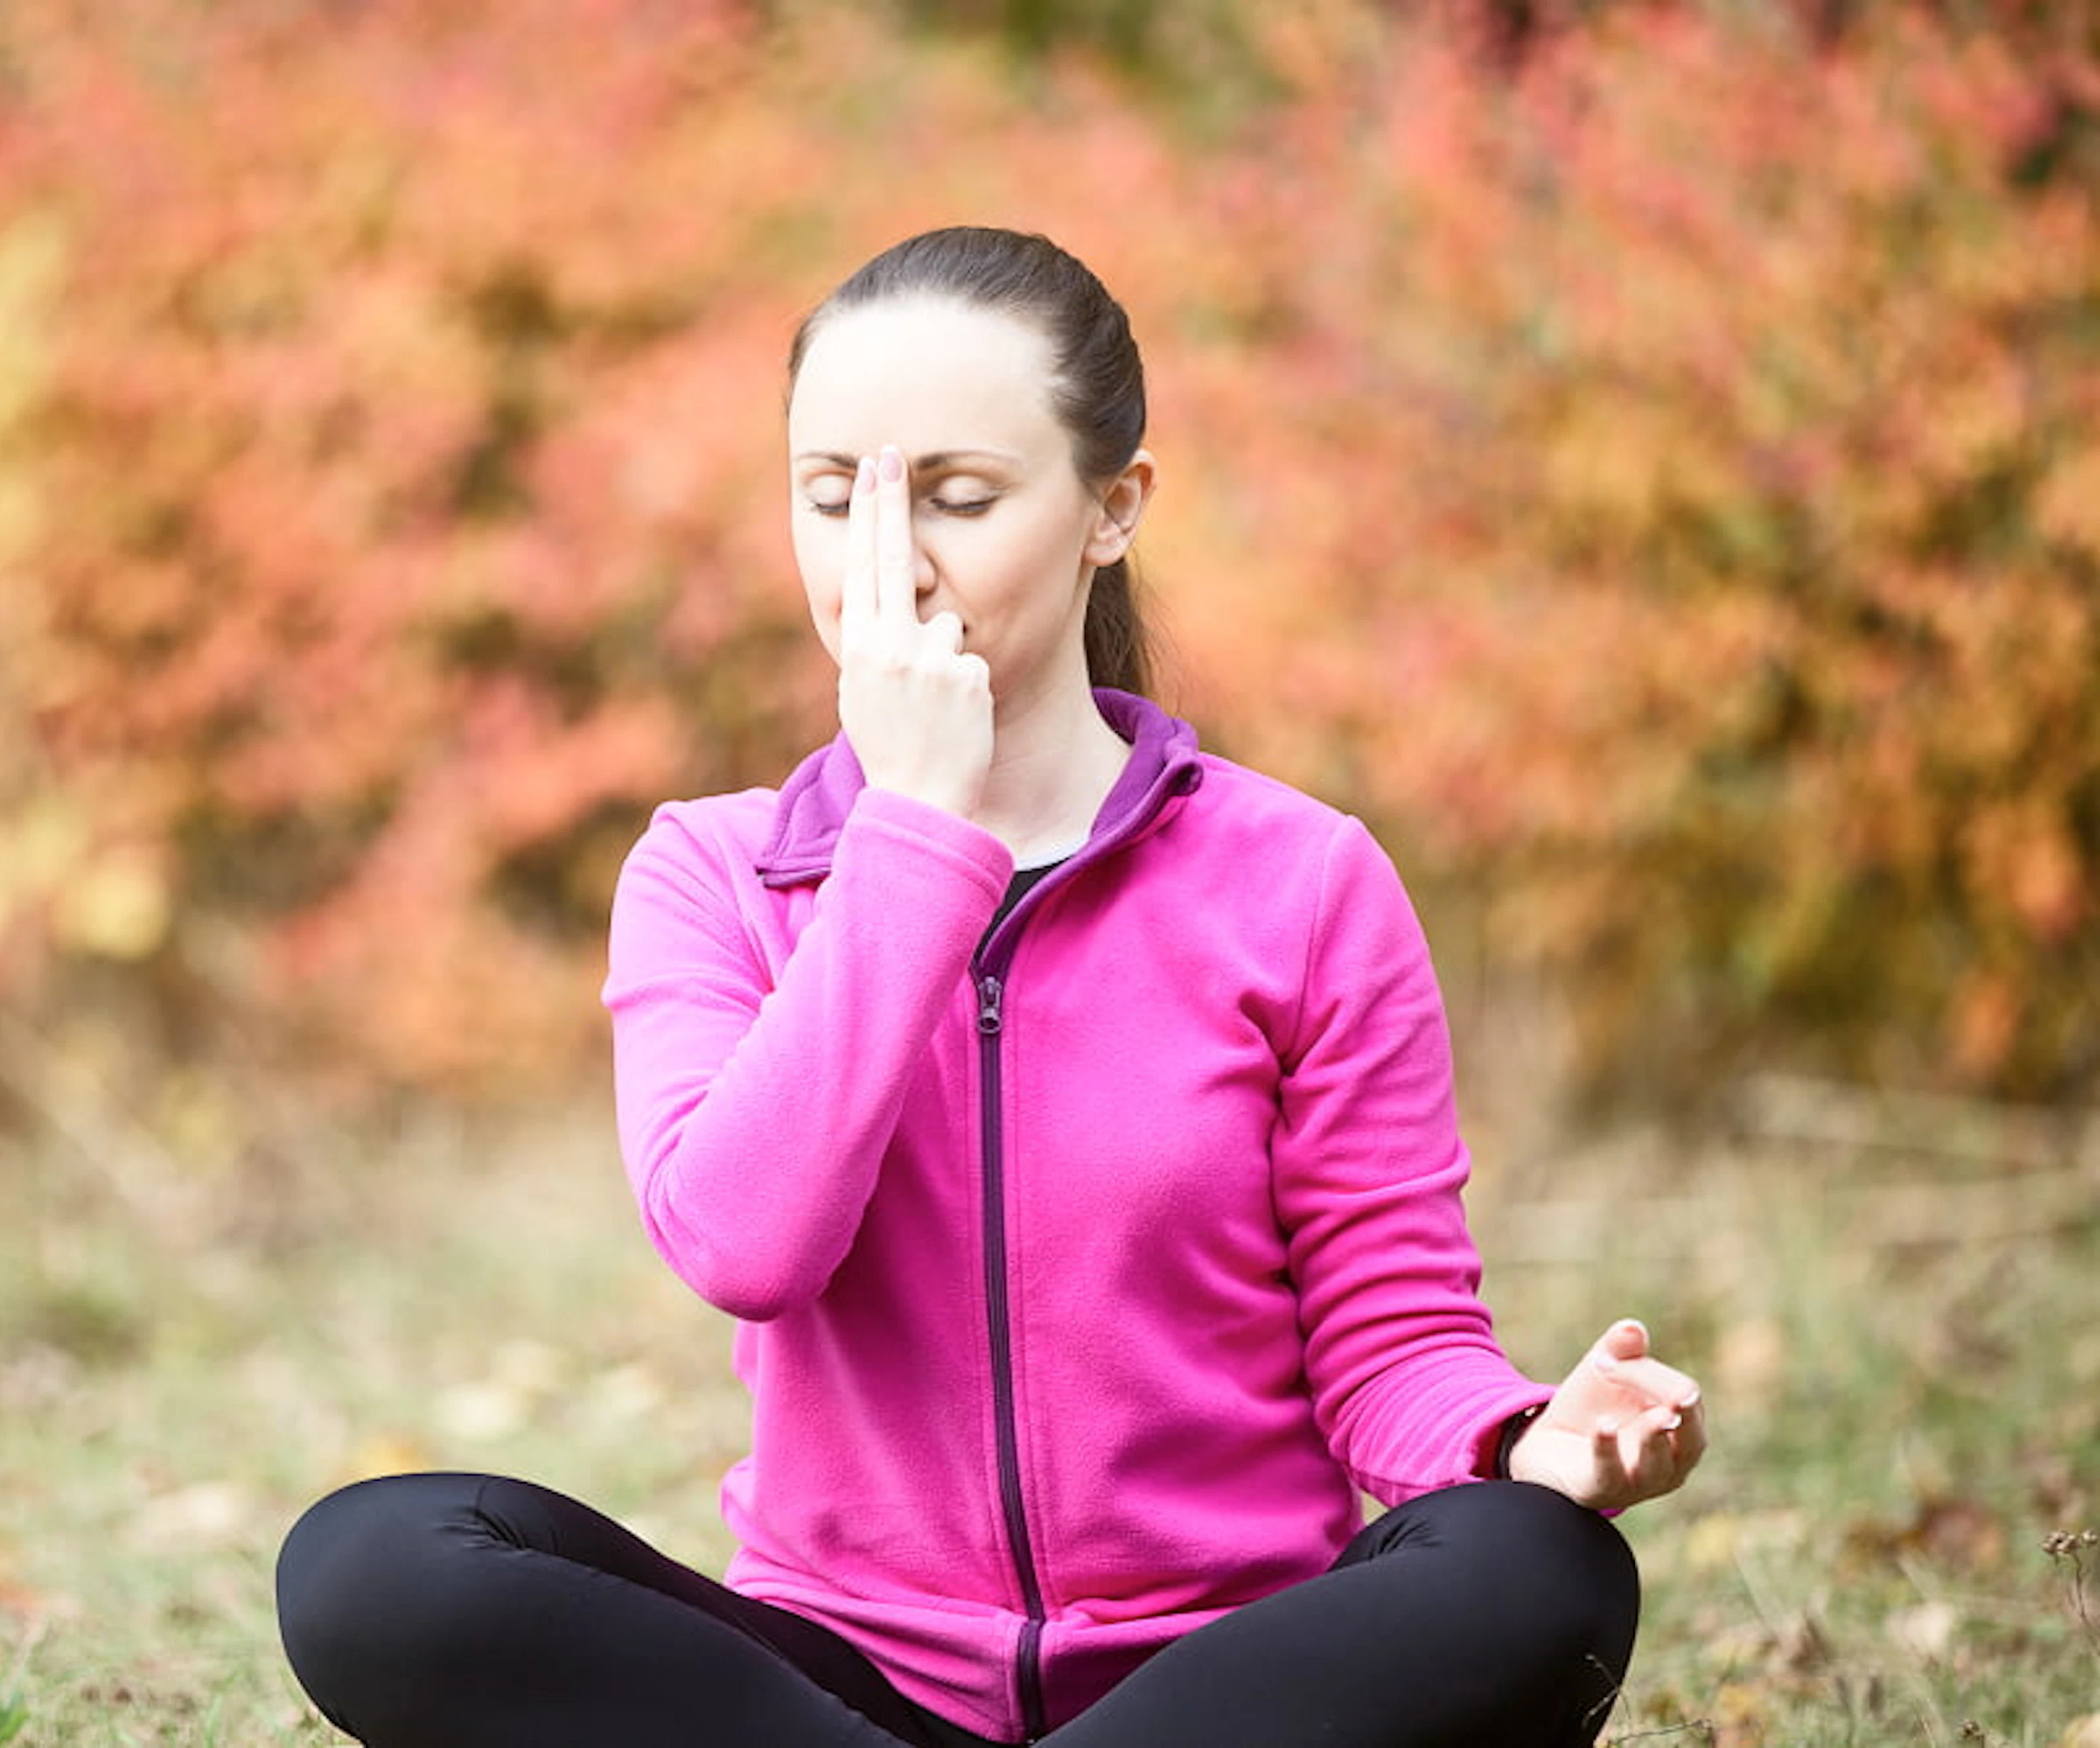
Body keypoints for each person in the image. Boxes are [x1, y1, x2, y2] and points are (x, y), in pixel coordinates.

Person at [275, 225, 1708, 1748]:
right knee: (374, 1565)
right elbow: (745, 1247)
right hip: (847, 1693)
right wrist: (909, 838)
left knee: (1536, 1569)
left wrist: (1526, 1441)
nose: (887, 561)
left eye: (959, 498)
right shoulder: (713, 876)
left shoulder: (1301, 878)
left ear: (1112, 509)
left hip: (1226, 1690)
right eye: (835, 499)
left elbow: (1392, 1337)